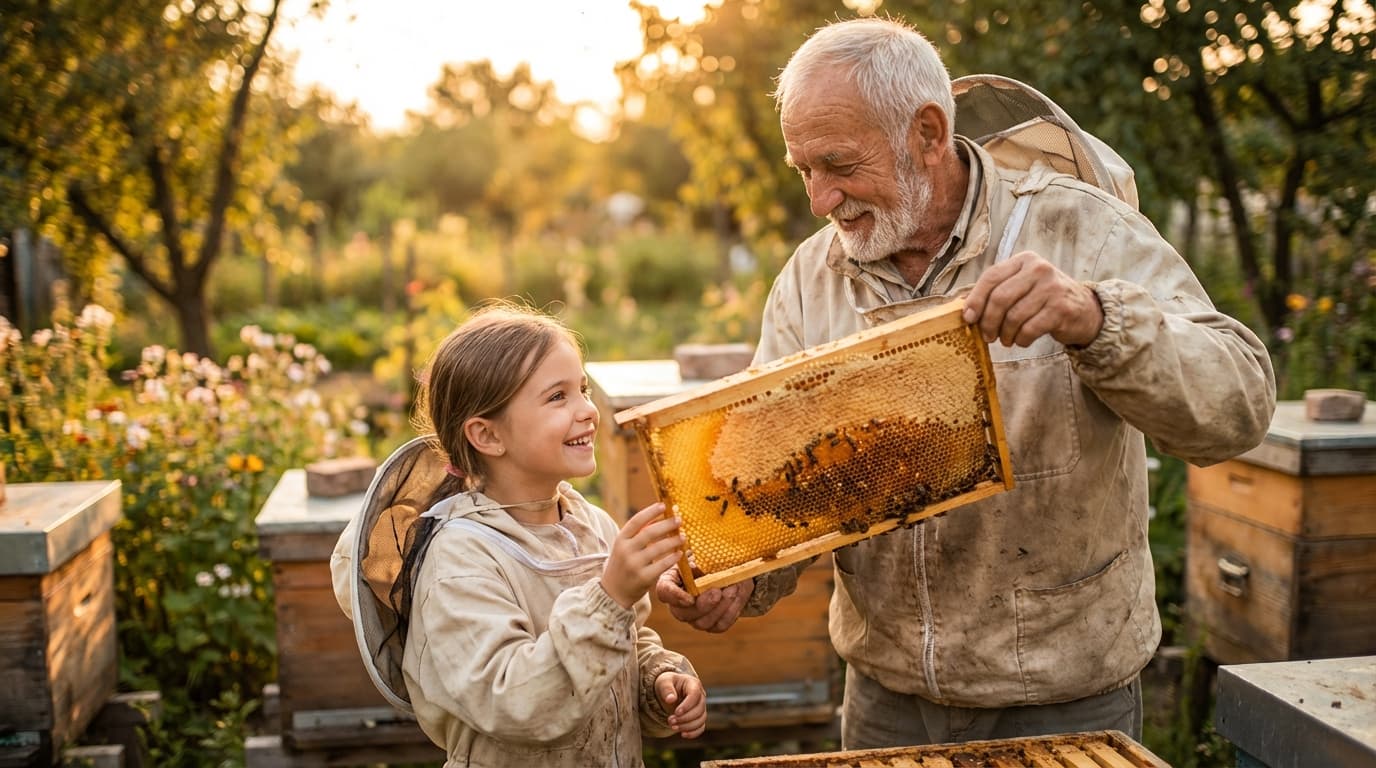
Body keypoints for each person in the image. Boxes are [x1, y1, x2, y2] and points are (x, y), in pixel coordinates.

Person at [656, 17, 1276, 749]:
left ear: (926, 133)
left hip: (1062, 696)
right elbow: (782, 488)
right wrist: (739, 575)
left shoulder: (1083, 230)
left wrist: (1097, 318)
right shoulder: (809, 280)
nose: (820, 199)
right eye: (804, 171)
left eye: (838, 164)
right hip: (884, 702)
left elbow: (1240, 403)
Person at [332, 301, 706, 767]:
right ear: (487, 436)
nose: (588, 410)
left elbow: (627, 639)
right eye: (557, 397)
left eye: (583, 389)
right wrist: (611, 596)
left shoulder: (592, 526)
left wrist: (658, 678)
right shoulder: (459, 559)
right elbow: (513, 703)